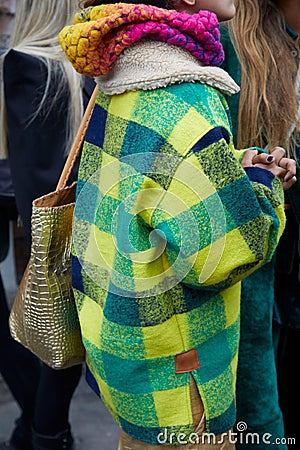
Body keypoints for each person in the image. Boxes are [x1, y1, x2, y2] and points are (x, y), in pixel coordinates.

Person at [59, 0, 295, 448]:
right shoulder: (185, 94)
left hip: (129, 355)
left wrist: (230, 171)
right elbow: (230, 251)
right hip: (183, 383)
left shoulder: (121, 72)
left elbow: (153, 191)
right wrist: (263, 184)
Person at [0, 1, 95, 449]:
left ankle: (39, 432)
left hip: (86, 230)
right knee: (56, 349)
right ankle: (45, 435)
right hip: (61, 235)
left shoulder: (81, 62)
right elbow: (39, 183)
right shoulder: (29, 66)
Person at [221, 1, 300, 447]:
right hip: (248, 271)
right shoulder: (228, 41)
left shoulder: (280, 36)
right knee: (258, 415)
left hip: (281, 263)